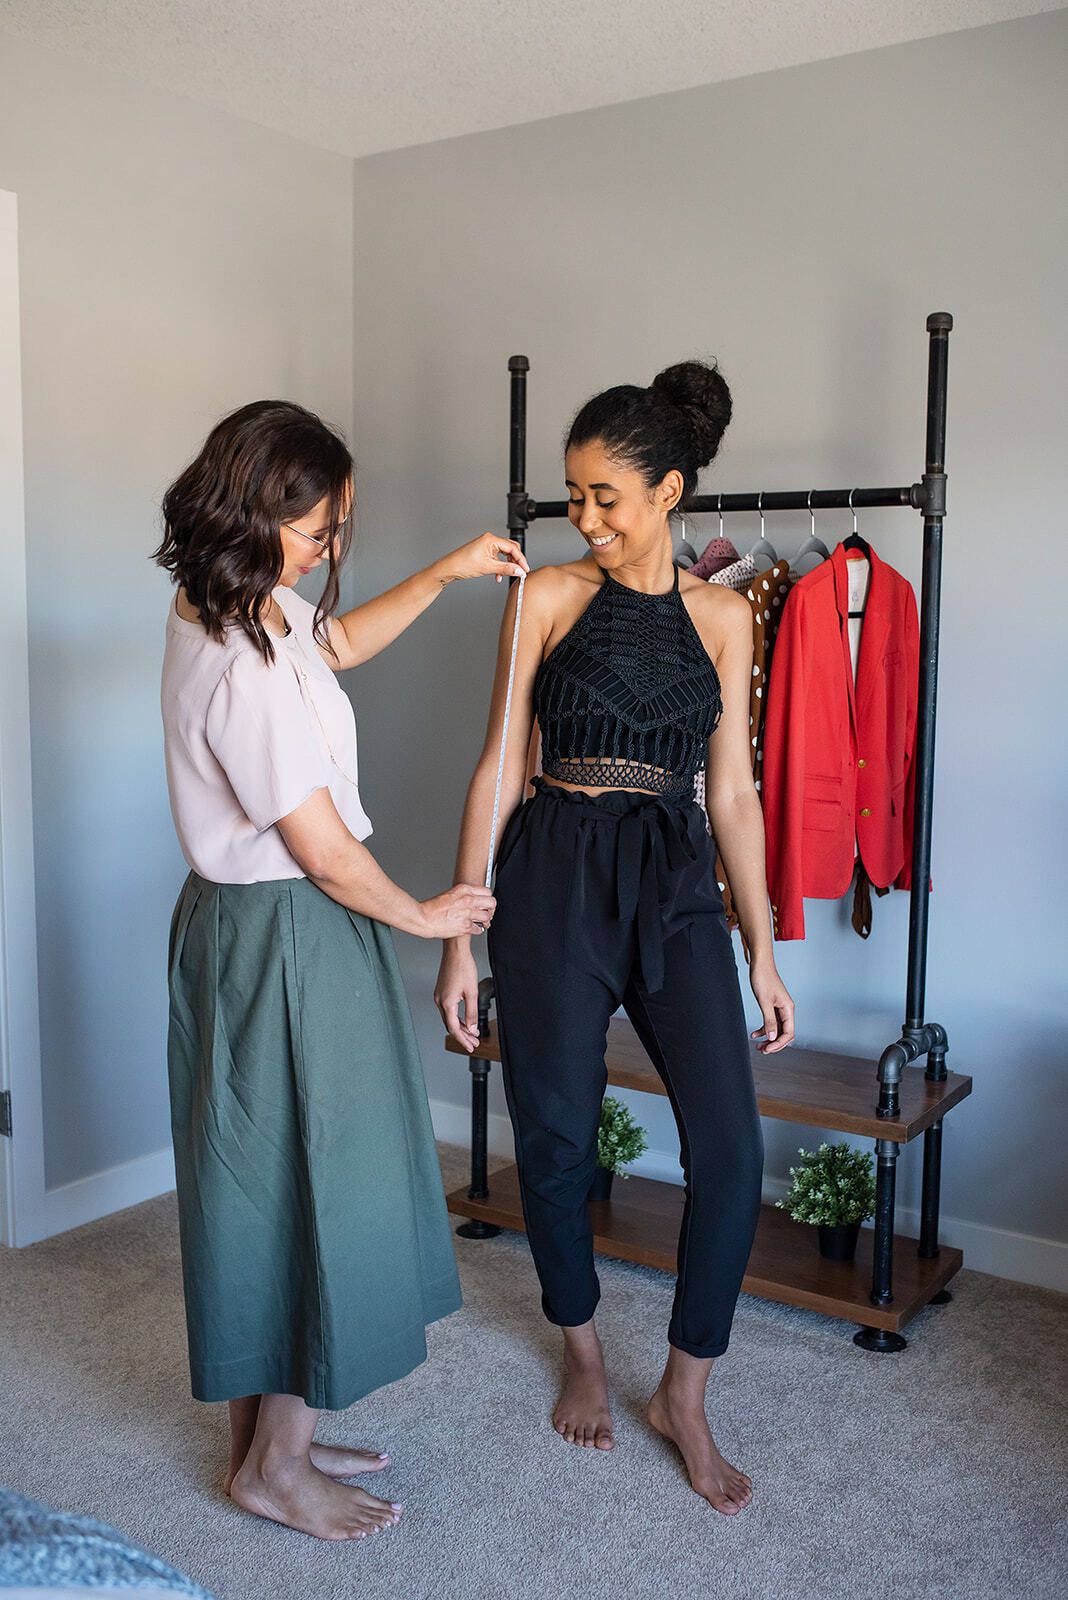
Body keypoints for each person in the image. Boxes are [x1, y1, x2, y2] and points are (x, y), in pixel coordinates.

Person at [156, 399, 528, 1542]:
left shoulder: (231, 602)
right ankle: (276, 1465)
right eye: (317, 533)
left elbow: (340, 643)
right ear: (254, 513)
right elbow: (320, 848)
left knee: (267, 1182)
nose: (327, 553)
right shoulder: (241, 659)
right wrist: (425, 914)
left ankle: (268, 1443)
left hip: (253, 926)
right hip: (290, 930)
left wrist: (447, 571)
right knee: (325, 1184)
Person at [436, 362, 794, 1516]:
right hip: (555, 868)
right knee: (554, 1134)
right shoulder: (545, 596)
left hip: (675, 875)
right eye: (574, 494)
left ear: (668, 491)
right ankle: (583, 1351)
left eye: (605, 496)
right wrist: (459, 930)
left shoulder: (727, 617)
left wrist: (763, 948)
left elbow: (732, 794)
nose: (583, 516)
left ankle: (684, 1390)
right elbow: (500, 765)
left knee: (730, 1150)